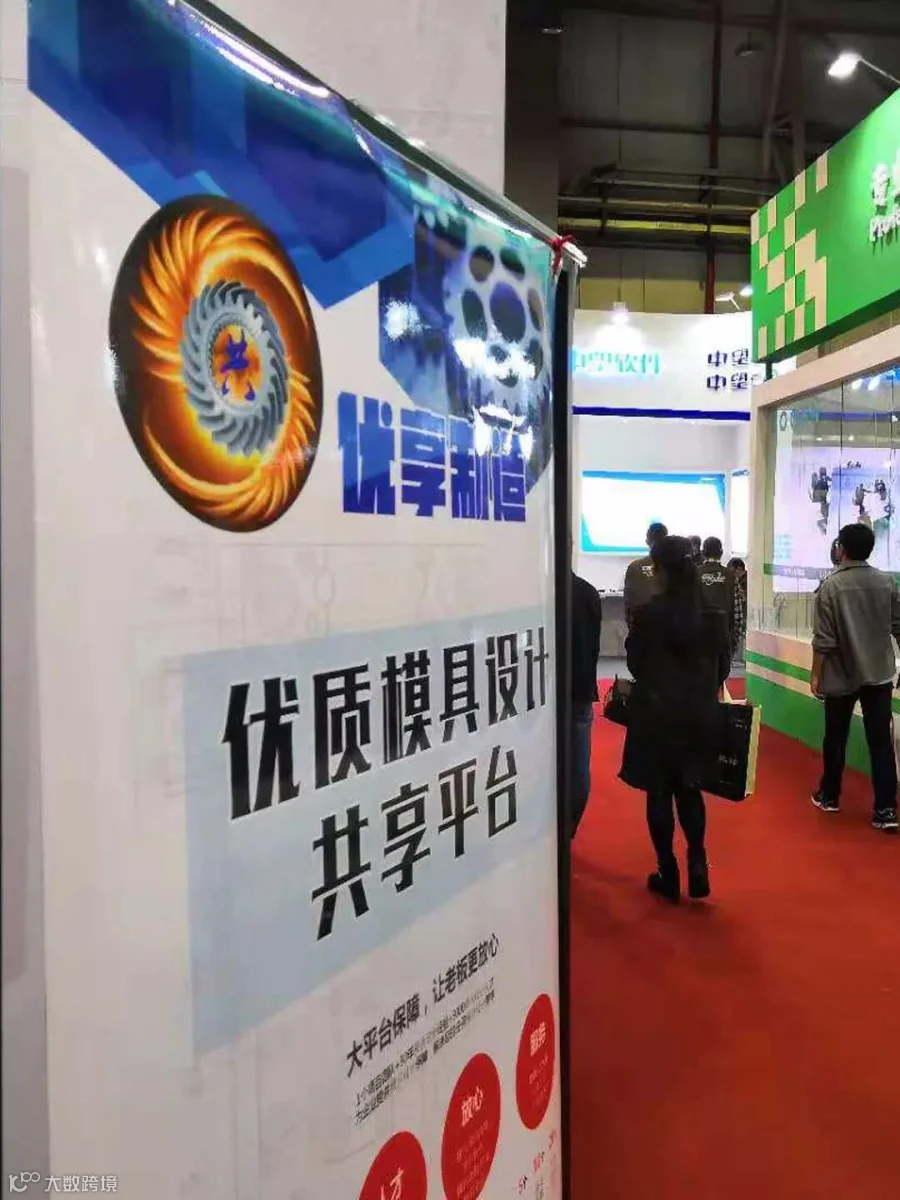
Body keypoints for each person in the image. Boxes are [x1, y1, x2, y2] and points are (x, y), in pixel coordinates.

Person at [620, 536, 731, 901]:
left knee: (659, 793)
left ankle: (667, 871)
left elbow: (635, 664)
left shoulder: (648, 615)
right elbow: (723, 669)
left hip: (657, 717)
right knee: (690, 790)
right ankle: (697, 860)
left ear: (659, 570)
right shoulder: (713, 616)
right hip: (700, 716)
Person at [810, 523, 900, 832]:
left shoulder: (830, 586)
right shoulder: (887, 582)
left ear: (841, 548)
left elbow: (824, 640)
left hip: (840, 675)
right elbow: (898, 626)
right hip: (879, 674)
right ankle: (886, 809)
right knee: (881, 743)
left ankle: (830, 795)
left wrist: (816, 674)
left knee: (835, 738)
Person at [571, 569, 603, 838]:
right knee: (578, 765)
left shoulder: (539, 594)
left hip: (544, 694)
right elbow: (594, 646)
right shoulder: (588, 592)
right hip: (581, 688)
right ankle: (569, 828)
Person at [623, 522, 667, 628]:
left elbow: (628, 602)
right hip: (669, 625)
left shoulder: (634, 566)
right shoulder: (674, 565)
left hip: (641, 625)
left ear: (647, 541)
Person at [698, 536, 737, 648]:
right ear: (721, 553)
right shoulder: (730, 575)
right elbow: (737, 608)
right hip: (723, 632)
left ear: (702, 552)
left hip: (699, 632)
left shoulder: (694, 573)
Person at [727, 557, 748, 663]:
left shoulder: (748, 581)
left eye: (732, 572)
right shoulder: (737, 581)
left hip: (745, 615)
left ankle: (740, 658)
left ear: (739, 569)